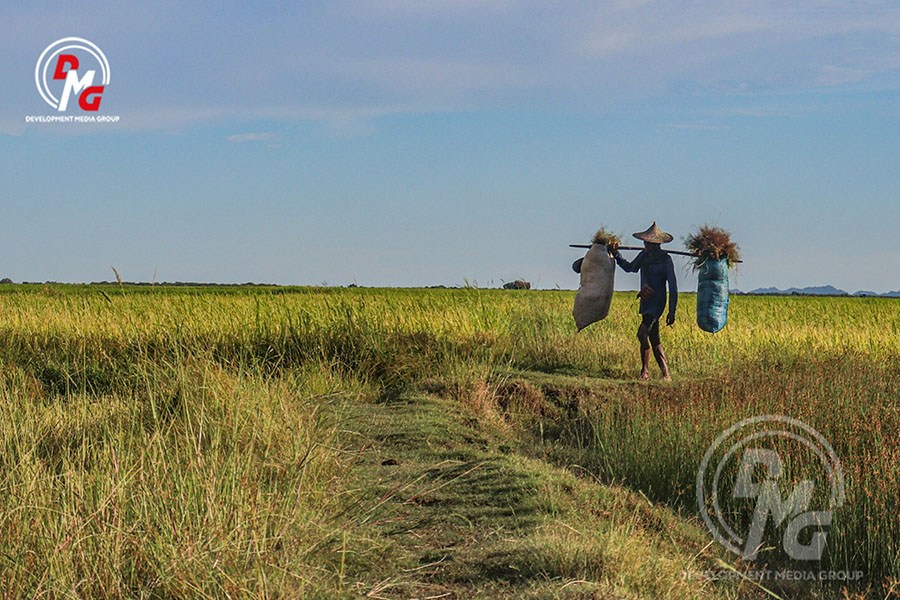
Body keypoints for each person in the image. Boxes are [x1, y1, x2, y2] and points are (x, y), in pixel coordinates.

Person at [607, 222, 678, 380]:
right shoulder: (644, 256)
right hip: (646, 301)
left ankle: (645, 371)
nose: (646, 245)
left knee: (642, 333)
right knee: (654, 338)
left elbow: (673, 286)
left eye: (649, 243)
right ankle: (666, 374)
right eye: (645, 242)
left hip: (657, 302)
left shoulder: (665, 259)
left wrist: (672, 311)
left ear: (657, 244)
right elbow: (630, 268)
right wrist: (616, 254)